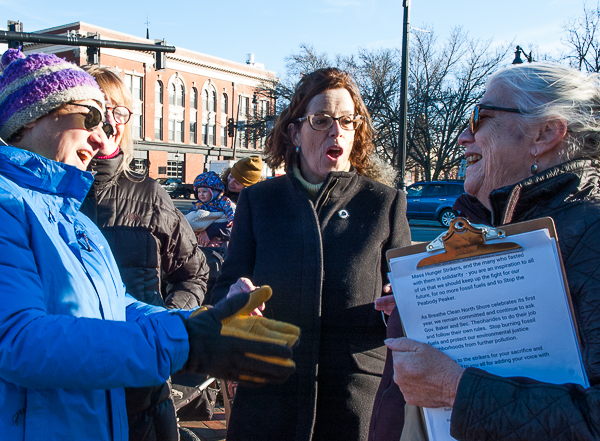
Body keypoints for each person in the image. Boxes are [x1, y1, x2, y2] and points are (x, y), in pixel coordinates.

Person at [0, 48, 299, 441]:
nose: (102, 133)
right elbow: (19, 341)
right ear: (32, 116)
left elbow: (117, 308)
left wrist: (203, 322)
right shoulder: (7, 206)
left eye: (112, 120)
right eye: (90, 116)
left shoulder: (72, 218)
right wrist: (186, 342)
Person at [378, 62, 600, 441]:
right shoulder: (495, 226)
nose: (463, 137)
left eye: (480, 117)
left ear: (545, 134)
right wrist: (433, 311)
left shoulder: (592, 232)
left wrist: (456, 390)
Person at [210, 67, 411, 441]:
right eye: (321, 120)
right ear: (294, 132)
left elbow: (412, 299)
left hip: (353, 400)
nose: (336, 131)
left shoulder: (384, 204)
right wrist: (233, 301)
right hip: (268, 395)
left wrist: (402, 303)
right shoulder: (260, 201)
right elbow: (222, 291)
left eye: (347, 121)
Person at [81, 66, 210, 441]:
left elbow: (194, 273)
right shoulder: (44, 199)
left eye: (119, 112)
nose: (109, 121)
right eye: (97, 109)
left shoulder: (150, 195)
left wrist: (166, 325)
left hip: (142, 389)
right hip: (69, 386)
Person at [186, 171, 235, 247]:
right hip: (202, 232)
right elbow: (190, 215)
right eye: (199, 192)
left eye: (204, 191)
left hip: (219, 233)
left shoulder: (222, 201)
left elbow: (230, 209)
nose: (201, 194)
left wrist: (232, 218)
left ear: (214, 191)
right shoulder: (199, 204)